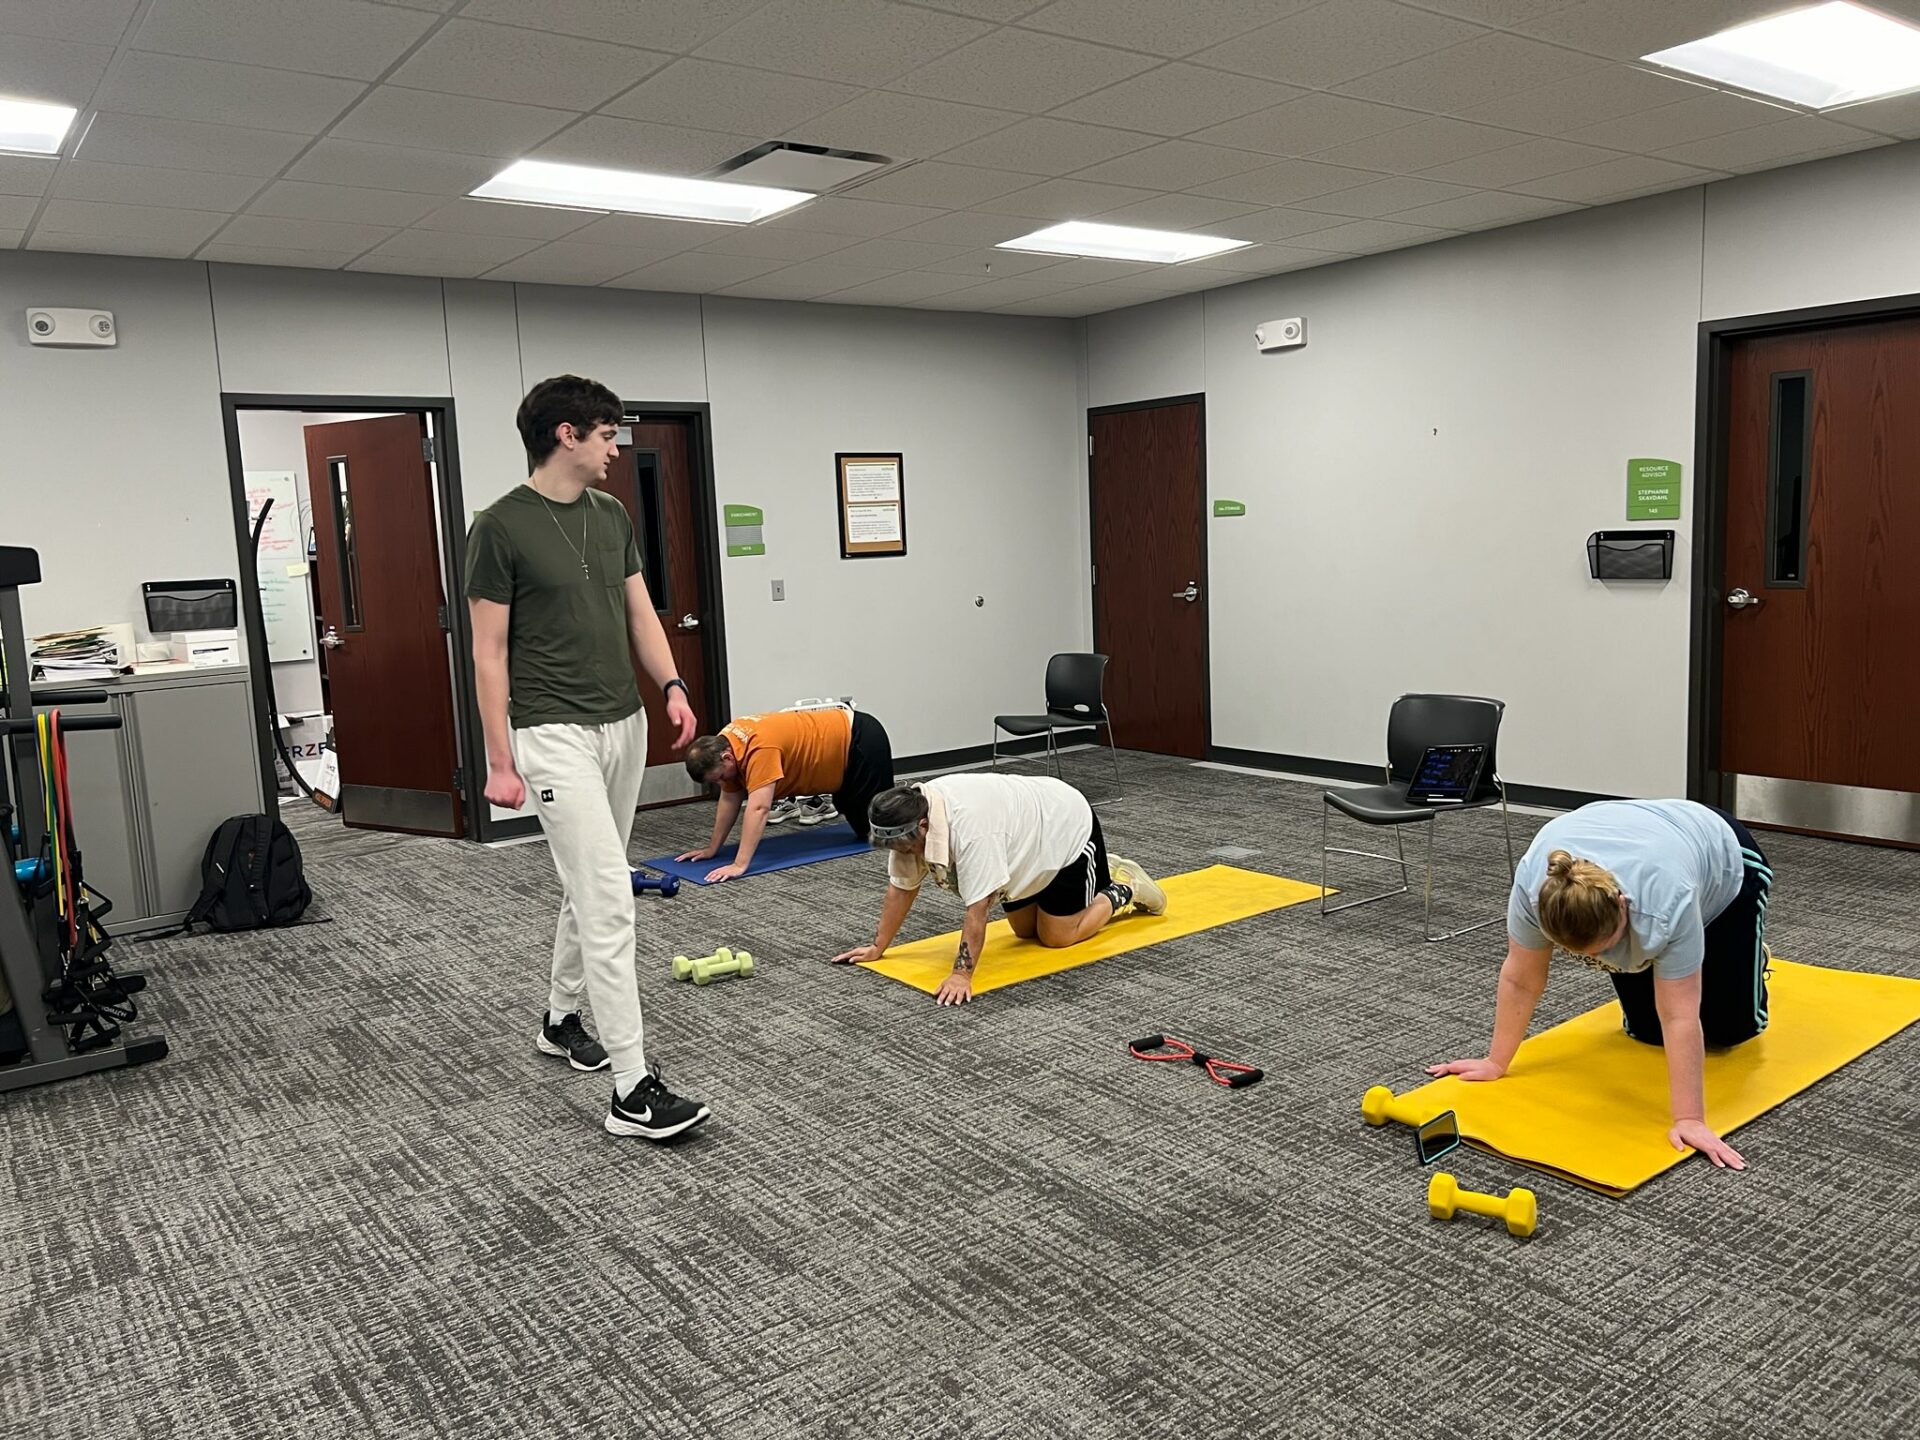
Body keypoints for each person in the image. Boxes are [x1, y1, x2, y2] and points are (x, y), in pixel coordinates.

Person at [465, 373, 709, 1142]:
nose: (616, 448)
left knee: (589, 880)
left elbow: (640, 610)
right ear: (566, 435)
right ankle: (632, 1089)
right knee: (609, 899)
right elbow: (488, 652)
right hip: (550, 733)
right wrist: (499, 759)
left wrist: (670, 683)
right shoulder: (498, 527)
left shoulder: (610, 515)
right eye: (607, 434)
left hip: (622, 723)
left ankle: (560, 1016)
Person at [1428, 799, 1774, 1170]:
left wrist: (1689, 1119)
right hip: (1642, 855)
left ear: (1622, 906)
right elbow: (1521, 979)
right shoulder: (1534, 888)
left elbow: (1679, 1015)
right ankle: (1671, 955)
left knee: (1730, 1032)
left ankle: (1748, 956)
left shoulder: (1665, 901)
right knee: (1646, 1033)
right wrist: (1496, 1061)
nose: (1602, 961)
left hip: (1726, 859)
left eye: (1606, 949)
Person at [830, 774, 1167, 1006]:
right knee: (1024, 932)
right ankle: (1093, 885)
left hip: (1065, 831)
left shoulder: (973, 831)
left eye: (907, 849)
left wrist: (962, 975)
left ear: (923, 827)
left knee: (1056, 938)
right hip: (1023, 845)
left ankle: (1123, 887)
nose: (905, 856)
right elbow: (900, 889)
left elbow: (977, 909)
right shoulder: (911, 812)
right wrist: (878, 947)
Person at [676, 706, 894, 881]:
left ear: (726, 758)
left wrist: (740, 864)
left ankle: (922, 806)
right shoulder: (726, 744)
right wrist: (713, 848)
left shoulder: (759, 748)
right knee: (859, 824)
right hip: (839, 756)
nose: (723, 783)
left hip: (861, 739)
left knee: (883, 831)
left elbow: (759, 808)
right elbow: (730, 798)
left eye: (721, 777)